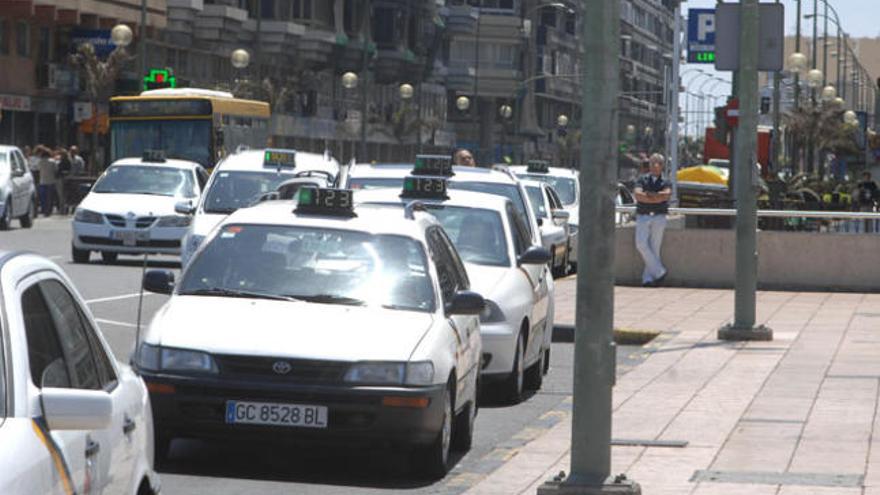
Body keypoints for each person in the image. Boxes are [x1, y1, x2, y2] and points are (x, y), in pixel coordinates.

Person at [633, 153, 671, 287]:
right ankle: (660, 272)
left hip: (659, 216)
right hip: (643, 215)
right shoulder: (642, 179)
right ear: (649, 165)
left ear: (662, 166)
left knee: (655, 248)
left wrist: (649, 195)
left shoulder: (665, 181)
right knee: (641, 243)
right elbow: (638, 195)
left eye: (658, 163)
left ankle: (648, 279)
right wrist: (656, 197)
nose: (655, 166)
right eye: (653, 163)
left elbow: (665, 196)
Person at [36, 146, 57, 217]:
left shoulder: (40, 162)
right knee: (50, 197)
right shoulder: (53, 161)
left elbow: (38, 169)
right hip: (51, 181)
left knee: (43, 197)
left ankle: (44, 209)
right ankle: (49, 210)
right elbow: (55, 170)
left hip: (42, 181)